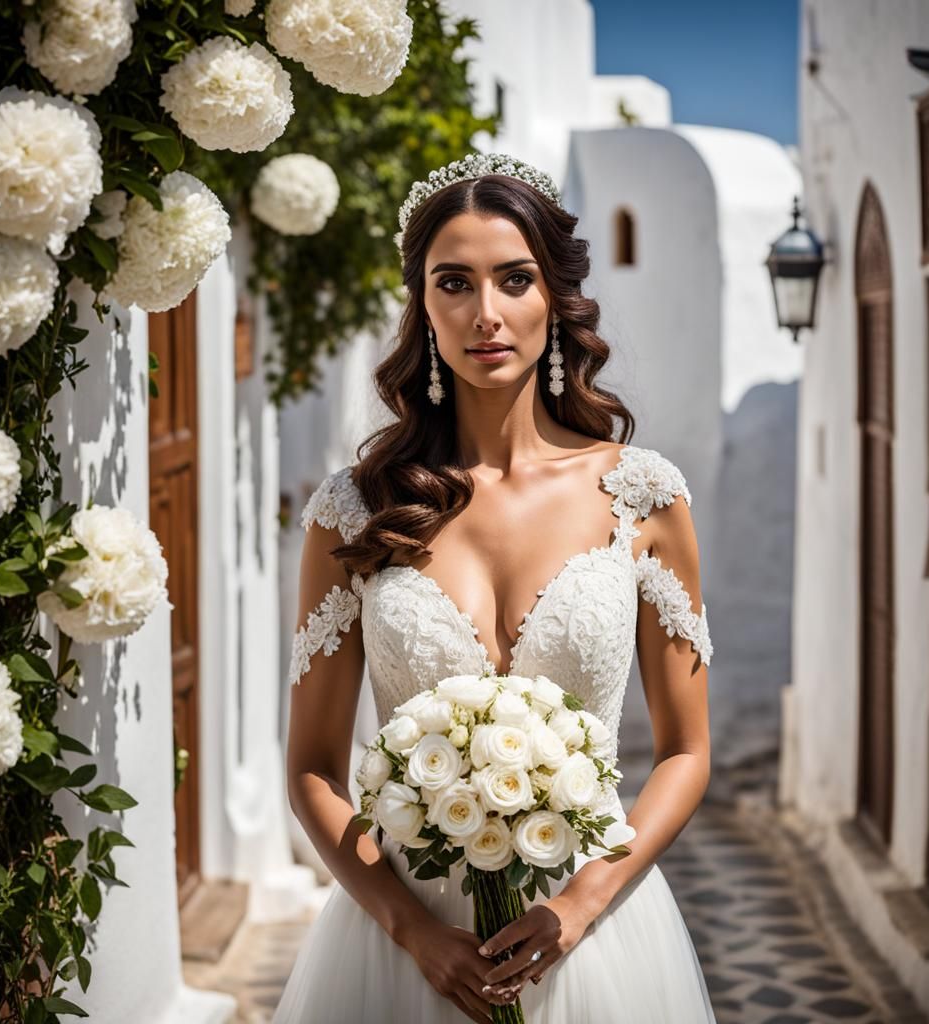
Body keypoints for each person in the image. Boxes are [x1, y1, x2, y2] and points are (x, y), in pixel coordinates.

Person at [273, 153, 717, 1023]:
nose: (487, 314)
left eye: (515, 279)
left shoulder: (644, 497)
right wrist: (414, 935)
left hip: (595, 937)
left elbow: (686, 753)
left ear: (553, 296)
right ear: (423, 305)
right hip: (402, 950)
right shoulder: (355, 511)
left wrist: (581, 903)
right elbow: (314, 771)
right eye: (454, 283)